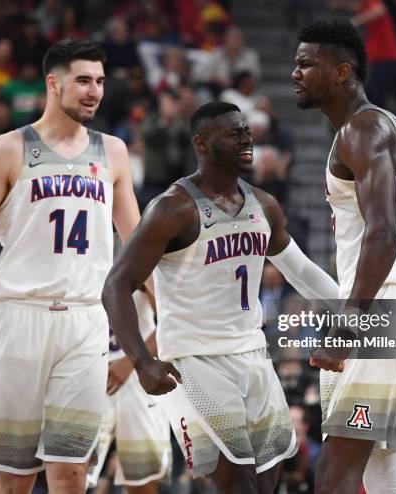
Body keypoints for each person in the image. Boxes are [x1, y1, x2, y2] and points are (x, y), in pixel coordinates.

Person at [0, 39, 141, 494]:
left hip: (85, 320)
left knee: (72, 473)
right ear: (54, 84)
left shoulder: (114, 152)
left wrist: (154, 335)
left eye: (101, 81)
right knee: (14, 476)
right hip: (18, 318)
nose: (94, 91)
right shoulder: (8, 149)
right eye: (83, 80)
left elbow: (138, 249)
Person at [102, 101, 340, 494]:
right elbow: (116, 286)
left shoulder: (264, 205)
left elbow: (302, 272)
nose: (247, 138)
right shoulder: (172, 208)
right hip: (194, 362)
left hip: (252, 355)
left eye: (247, 130)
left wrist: (364, 314)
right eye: (234, 132)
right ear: (202, 143)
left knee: (268, 483)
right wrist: (142, 361)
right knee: (238, 482)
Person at [292, 20, 396, 494]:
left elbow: (383, 233)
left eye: (308, 63)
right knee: (387, 473)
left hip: (383, 309)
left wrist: (349, 322)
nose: (295, 73)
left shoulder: (361, 129)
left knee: (335, 476)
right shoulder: (392, 128)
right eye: (295, 63)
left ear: (342, 71)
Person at [87, 287, 171, 493]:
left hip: (137, 377)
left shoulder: (136, 257)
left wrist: (131, 361)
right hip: (90, 373)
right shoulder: (79, 259)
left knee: (142, 482)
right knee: (71, 475)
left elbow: (172, 323)